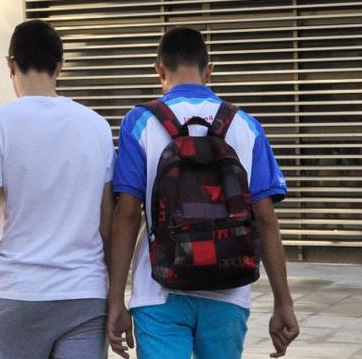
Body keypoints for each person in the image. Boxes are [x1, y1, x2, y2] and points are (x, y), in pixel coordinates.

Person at [107, 27, 299, 359]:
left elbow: (126, 213)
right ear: (209, 69)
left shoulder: (138, 122)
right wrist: (283, 303)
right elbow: (266, 219)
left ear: (159, 70)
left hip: (158, 291)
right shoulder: (246, 125)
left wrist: (115, 302)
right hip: (229, 290)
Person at [0, 20, 115, 358]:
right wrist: (111, 290)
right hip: (84, 292)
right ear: (60, 65)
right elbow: (107, 222)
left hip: (17, 291)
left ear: (10, 65)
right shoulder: (96, 125)